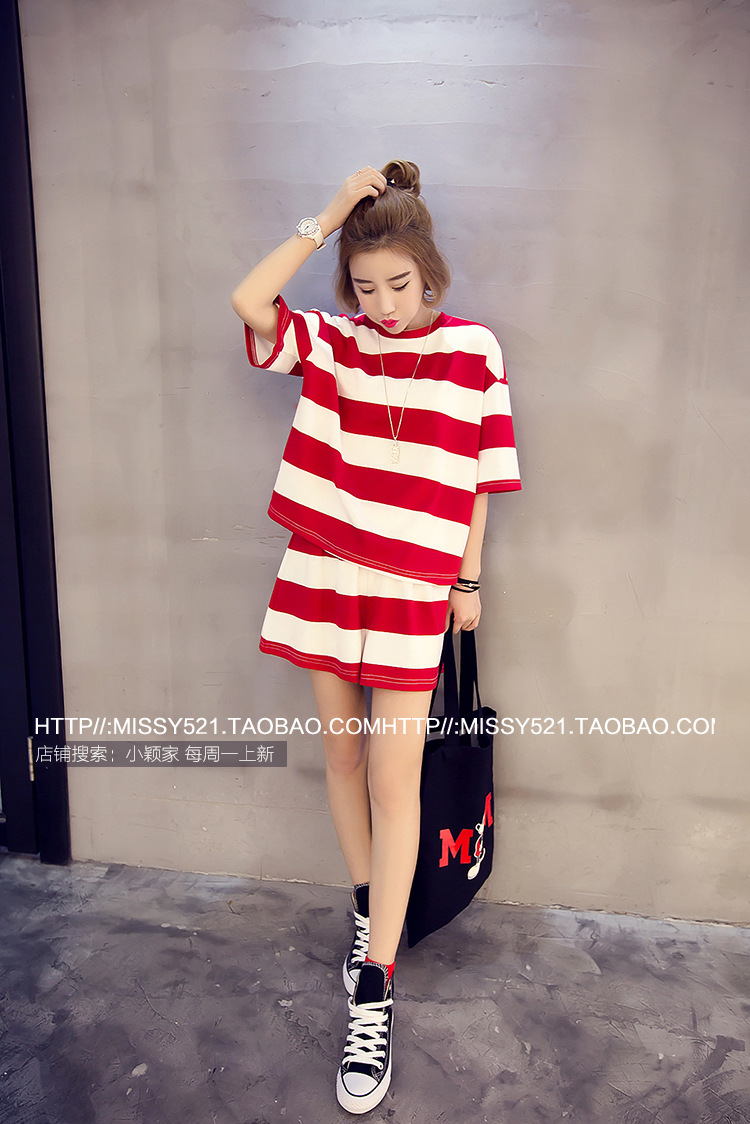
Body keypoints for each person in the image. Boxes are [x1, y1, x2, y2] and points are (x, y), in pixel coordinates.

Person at [231, 160, 521, 1114]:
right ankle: (368, 912)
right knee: (345, 764)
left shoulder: (473, 349)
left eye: (400, 283)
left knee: (397, 784)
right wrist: (325, 218)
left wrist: (466, 581)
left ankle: (375, 990)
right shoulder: (333, 341)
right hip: (326, 574)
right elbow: (249, 301)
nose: (385, 305)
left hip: (409, 592)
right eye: (365, 287)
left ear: (429, 272)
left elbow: (480, 475)